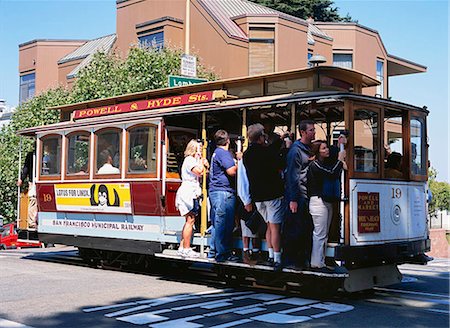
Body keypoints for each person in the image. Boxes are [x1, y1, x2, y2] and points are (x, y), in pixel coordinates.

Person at [241, 124, 284, 269]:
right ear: (260, 138)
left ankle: (271, 255)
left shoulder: (246, 155)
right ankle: (277, 258)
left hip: (258, 196)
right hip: (272, 194)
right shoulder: (267, 152)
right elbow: (278, 163)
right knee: (275, 227)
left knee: (268, 226)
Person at [307, 140, 347, 272]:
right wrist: (340, 161)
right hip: (318, 202)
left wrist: (340, 143)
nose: (327, 150)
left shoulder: (322, 163)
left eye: (327, 148)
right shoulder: (315, 165)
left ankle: (321, 261)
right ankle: (317, 263)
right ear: (318, 151)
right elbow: (331, 173)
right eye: (324, 148)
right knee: (320, 233)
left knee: (324, 233)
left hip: (325, 201)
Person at [284, 120, 316, 268]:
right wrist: (293, 199)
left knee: (304, 228)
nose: (314, 132)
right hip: (299, 195)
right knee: (296, 229)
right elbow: (292, 175)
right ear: (303, 132)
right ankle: (292, 261)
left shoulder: (306, 149)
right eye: (311, 130)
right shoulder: (296, 151)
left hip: (305, 194)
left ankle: (301, 259)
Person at [209, 130, 239, 262]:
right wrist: (240, 162)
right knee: (224, 224)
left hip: (216, 191)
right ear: (228, 141)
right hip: (223, 192)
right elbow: (231, 171)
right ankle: (223, 254)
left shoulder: (216, 152)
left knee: (217, 223)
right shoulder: (223, 153)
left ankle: (213, 251)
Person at [175, 139, 208, 258]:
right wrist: (201, 162)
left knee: (188, 220)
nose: (201, 151)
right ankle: (186, 248)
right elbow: (199, 171)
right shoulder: (189, 160)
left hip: (191, 192)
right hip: (188, 192)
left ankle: (182, 247)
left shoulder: (192, 160)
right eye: (199, 149)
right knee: (190, 220)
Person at [17, 144, 37, 229]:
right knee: (33, 200)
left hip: (41, 181)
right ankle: (32, 222)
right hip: (33, 181)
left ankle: (36, 220)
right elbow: (26, 168)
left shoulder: (44, 155)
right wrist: (21, 179)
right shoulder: (31, 155)